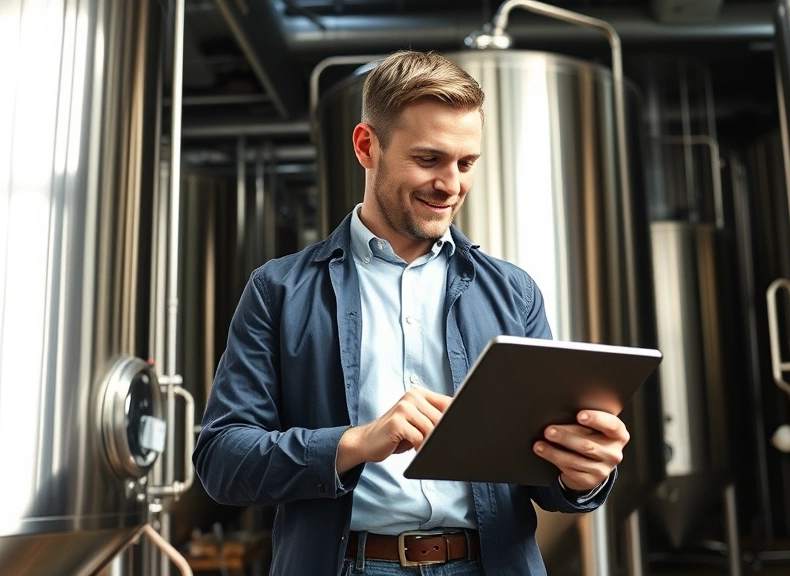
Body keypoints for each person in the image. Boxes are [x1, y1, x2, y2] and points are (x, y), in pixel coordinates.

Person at [193, 50, 630, 576]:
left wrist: (582, 473)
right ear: (366, 146)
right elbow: (222, 460)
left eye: (466, 164)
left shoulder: (514, 292)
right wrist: (356, 443)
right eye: (428, 160)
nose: (451, 185)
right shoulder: (279, 290)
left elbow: (546, 479)